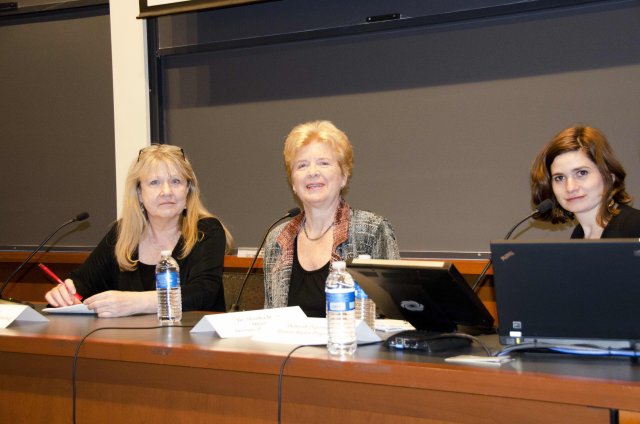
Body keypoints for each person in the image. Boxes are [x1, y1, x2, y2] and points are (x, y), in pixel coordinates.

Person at [44, 144, 233, 317]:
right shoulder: (122, 233)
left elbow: (203, 293)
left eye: (176, 181)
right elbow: (81, 283)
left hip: (193, 347)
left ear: (188, 190)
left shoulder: (207, 230)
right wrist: (63, 294)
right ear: (139, 194)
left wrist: (135, 303)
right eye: (154, 183)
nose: (167, 191)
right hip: (132, 348)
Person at [263, 120, 400, 317]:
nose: (312, 172)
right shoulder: (277, 239)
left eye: (324, 163)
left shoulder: (371, 231)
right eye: (302, 165)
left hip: (349, 347)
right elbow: (269, 317)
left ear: (344, 176)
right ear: (292, 181)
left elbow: (394, 315)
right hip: (289, 348)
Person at [530, 125, 640, 239]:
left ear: (609, 176)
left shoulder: (635, 226)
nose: (570, 187)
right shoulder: (578, 235)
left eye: (582, 173)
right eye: (559, 178)